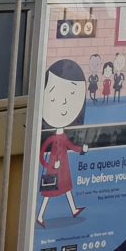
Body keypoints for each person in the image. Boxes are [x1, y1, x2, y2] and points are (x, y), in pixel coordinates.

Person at [38, 59, 89, 228]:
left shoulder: (62, 137)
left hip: (63, 167)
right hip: (54, 168)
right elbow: (41, 152)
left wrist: (81, 149)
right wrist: (48, 164)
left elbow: (71, 147)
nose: (64, 104)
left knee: (66, 188)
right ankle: (40, 216)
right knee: (49, 193)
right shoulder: (52, 138)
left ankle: (74, 209)